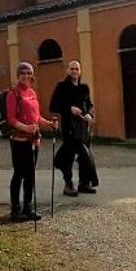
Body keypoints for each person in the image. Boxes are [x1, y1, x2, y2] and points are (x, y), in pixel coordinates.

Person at [6, 62, 56, 221]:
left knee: (30, 175)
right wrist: (26, 128)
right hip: (20, 140)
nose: (26, 76)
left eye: (29, 73)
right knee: (19, 174)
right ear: (18, 75)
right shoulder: (13, 93)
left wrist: (48, 123)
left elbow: (37, 117)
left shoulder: (32, 92)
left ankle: (28, 207)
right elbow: (11, 119)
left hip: (34, 141)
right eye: (23, 73)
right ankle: (15, 210)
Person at [50, 59, 99, 197]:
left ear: (80, 71)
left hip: (84, 127)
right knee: (69, 156)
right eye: (72, 69)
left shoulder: (84, 88)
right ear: (67, 70)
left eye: (76, 69)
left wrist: (90, 114)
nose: (74, 71)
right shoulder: (61, 87)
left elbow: (90, 105)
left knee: (85, 155)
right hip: (69, 127)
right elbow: (53, 106)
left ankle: (84, 183)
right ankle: (68, 184)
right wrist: (69, 109)